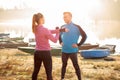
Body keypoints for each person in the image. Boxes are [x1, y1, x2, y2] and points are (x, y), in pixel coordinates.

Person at [59, 12, 87, 80]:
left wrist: (78, 44)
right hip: (64, 50)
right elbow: (59, 35)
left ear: (70, 17)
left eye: (66, 17)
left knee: (76, 66)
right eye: (63, 17)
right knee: (64, 65)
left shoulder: (77, 27)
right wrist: (60, 42)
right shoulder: (62, 27)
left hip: (73, 51)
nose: (64, 18)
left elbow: (84, 36)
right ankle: (62, 78)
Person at [32, 13, 59, 80]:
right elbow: (55, 40)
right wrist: (58, 33)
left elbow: (49, 31)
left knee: (35, 71)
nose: (44, 19)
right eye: (43, 18)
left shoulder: (35, 28)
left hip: (37, 52)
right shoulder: (45, 29)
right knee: (48, 73)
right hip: (46, 53)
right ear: (41, 19)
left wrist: (58, 30)